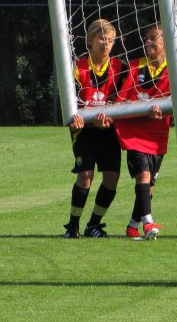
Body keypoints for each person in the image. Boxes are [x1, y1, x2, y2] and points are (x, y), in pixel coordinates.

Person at [63, 18, 127, 238]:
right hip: (84, 131)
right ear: (90, 41)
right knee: (85, 176)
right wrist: (75, 117)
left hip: (108, 130)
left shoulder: (119, 68)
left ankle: (94, 225)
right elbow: (68, 102)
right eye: (101, 39)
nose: (106, 44)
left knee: (112, 178)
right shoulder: (77, 68)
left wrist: (111, 119)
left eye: (110, 40)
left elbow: (124, 100)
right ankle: (72, 226)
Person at [115, 24, 170, 241]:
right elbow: (122, 99)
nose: (148, 42)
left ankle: (132, 226)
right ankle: (148, 224)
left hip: (157, 135)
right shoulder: (134, 66)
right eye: (146, 38)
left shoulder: (173, 69)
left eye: (154, 38)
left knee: (150, 185)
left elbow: (174, 102)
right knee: (144, 176)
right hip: (134, 134)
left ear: (165, 42)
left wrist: (163, 110)